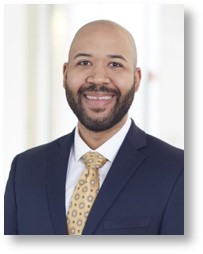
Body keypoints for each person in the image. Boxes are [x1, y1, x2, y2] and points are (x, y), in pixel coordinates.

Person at [4, 20, 184, 235]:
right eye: (84, 63)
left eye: (115, 64)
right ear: (65, 74)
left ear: (136, 80)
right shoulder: (24, 169)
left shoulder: (178, 171)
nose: (98, 78)